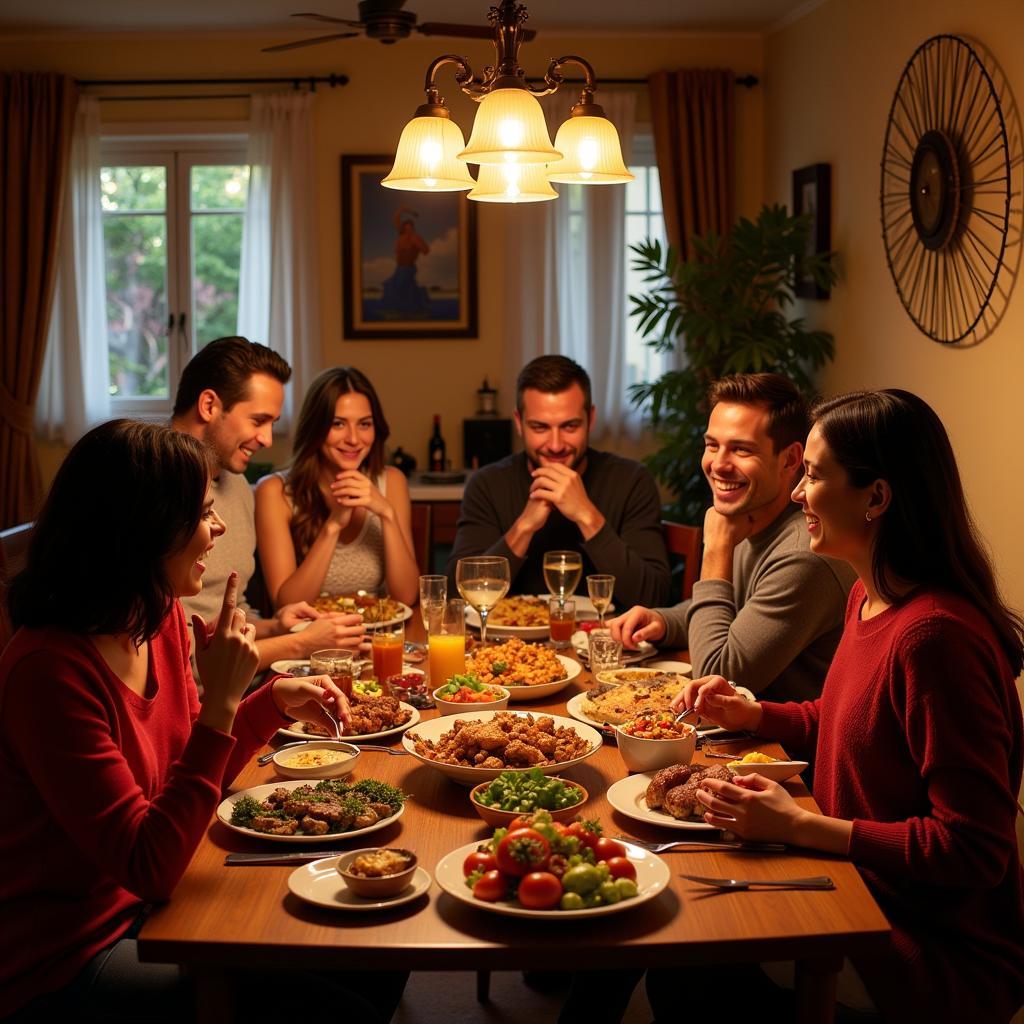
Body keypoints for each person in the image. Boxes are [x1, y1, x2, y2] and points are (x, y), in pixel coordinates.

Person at [672, 389, 1024, 1021]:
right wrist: (754, 715)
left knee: (688, 962)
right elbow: (847, 721)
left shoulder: (935, 637)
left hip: (925, 949)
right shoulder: (868, 596)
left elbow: (973, 849)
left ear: (876, 497)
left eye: (812, 474)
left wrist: (798, 826)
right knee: (679, 918)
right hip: (847, 881)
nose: (800, 495)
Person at [0, 420, 357, 1020]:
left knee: (362, 943)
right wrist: (223, 702)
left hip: (162, 897)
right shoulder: (49, 672)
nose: (217, 529)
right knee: (334, 1004)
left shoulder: (156, 613)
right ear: (142, 532)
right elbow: (149, 865)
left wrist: (269, 703)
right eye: (203, 513)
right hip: (69, 952)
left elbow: (192, 774)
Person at [608, 373, 855, 702]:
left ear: (791, 459)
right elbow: (736, 610)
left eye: (741, 449)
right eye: (712, 445)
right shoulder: (752, 514)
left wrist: (717, 548)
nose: (718, 465)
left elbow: (719, 677)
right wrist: (664, 621)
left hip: (781, 749)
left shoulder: (804, 554)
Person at [171, 336, 367, 676]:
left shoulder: (236, 487)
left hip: (248, 688)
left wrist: (276, 626)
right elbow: (174, 656)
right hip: (198, 703)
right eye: (258, 420)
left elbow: (229, 618)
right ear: (208, 405)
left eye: (272, 424)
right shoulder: (153, 486)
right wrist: (299, 644)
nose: (266, 439)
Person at [447, 355, 670, 608]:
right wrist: (524, 527)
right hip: (509, 645)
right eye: (540, 427)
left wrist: (587, 516)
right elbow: (456, 598)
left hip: (606, 642)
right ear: (519, 423)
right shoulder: (486, 484)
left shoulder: (632, 481)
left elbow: (655, 598)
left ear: (591, 419)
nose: (555, 445)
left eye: (570, 426)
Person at [255, 366, 418, 608]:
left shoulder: (392, 481)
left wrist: (387, 514)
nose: (353, 439)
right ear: (316, 427)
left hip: (379, 635)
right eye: (338, 424)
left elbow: (405, 597)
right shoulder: (275, 491)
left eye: (364, 424)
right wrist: (333, 525)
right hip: (311, 637)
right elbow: (286, 604)